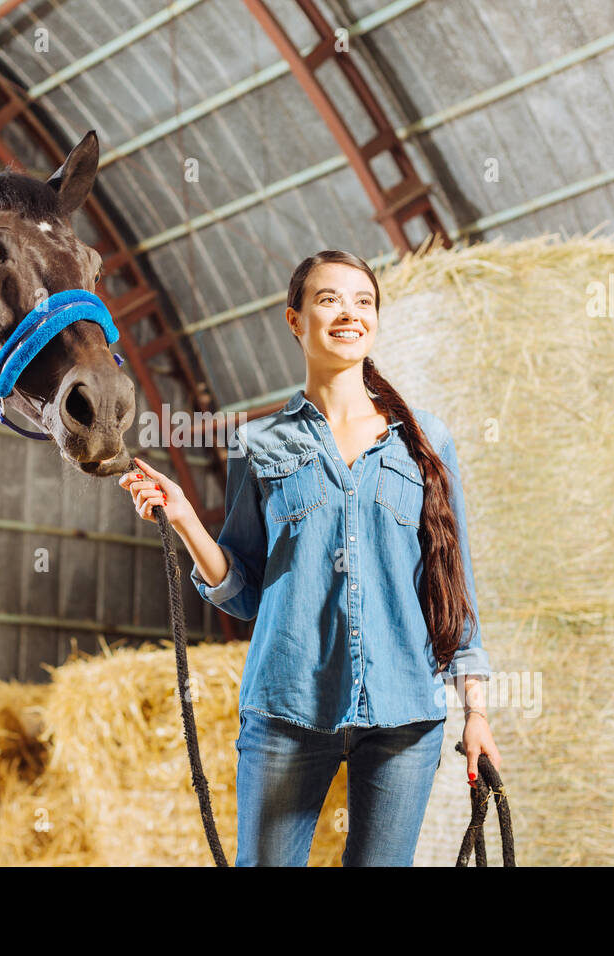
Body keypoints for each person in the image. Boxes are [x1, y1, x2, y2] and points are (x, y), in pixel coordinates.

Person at [120, 250, 503, 866]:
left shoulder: (426, 441)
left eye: (363, 301)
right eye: (329, 299)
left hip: (404, 716)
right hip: (286, 709)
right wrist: (186, 518)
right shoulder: (260, 441)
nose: (349, 313)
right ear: (295, 320)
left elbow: (453, 587)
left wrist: (475, 713)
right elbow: (244, 590)